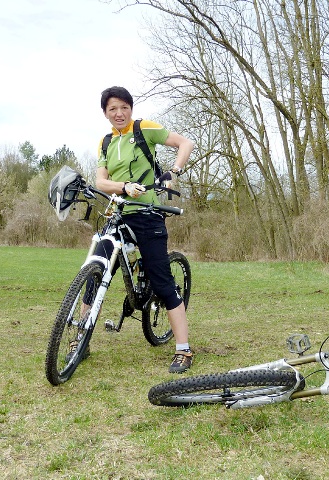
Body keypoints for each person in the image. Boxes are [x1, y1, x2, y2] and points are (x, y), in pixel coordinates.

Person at [95, 86, 195, 373]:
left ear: (131, 109)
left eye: (124, 107)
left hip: (148, 215)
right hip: (119, 215)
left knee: (162, 283)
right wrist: (123, 186)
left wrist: (174, 171)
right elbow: (101, 182)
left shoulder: (144, 129)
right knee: (95, 272)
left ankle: (184, 349)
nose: (119, 113)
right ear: (105, 113)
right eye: (112, 109)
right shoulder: (105, 142)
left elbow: (185, 143)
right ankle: (79, 338)